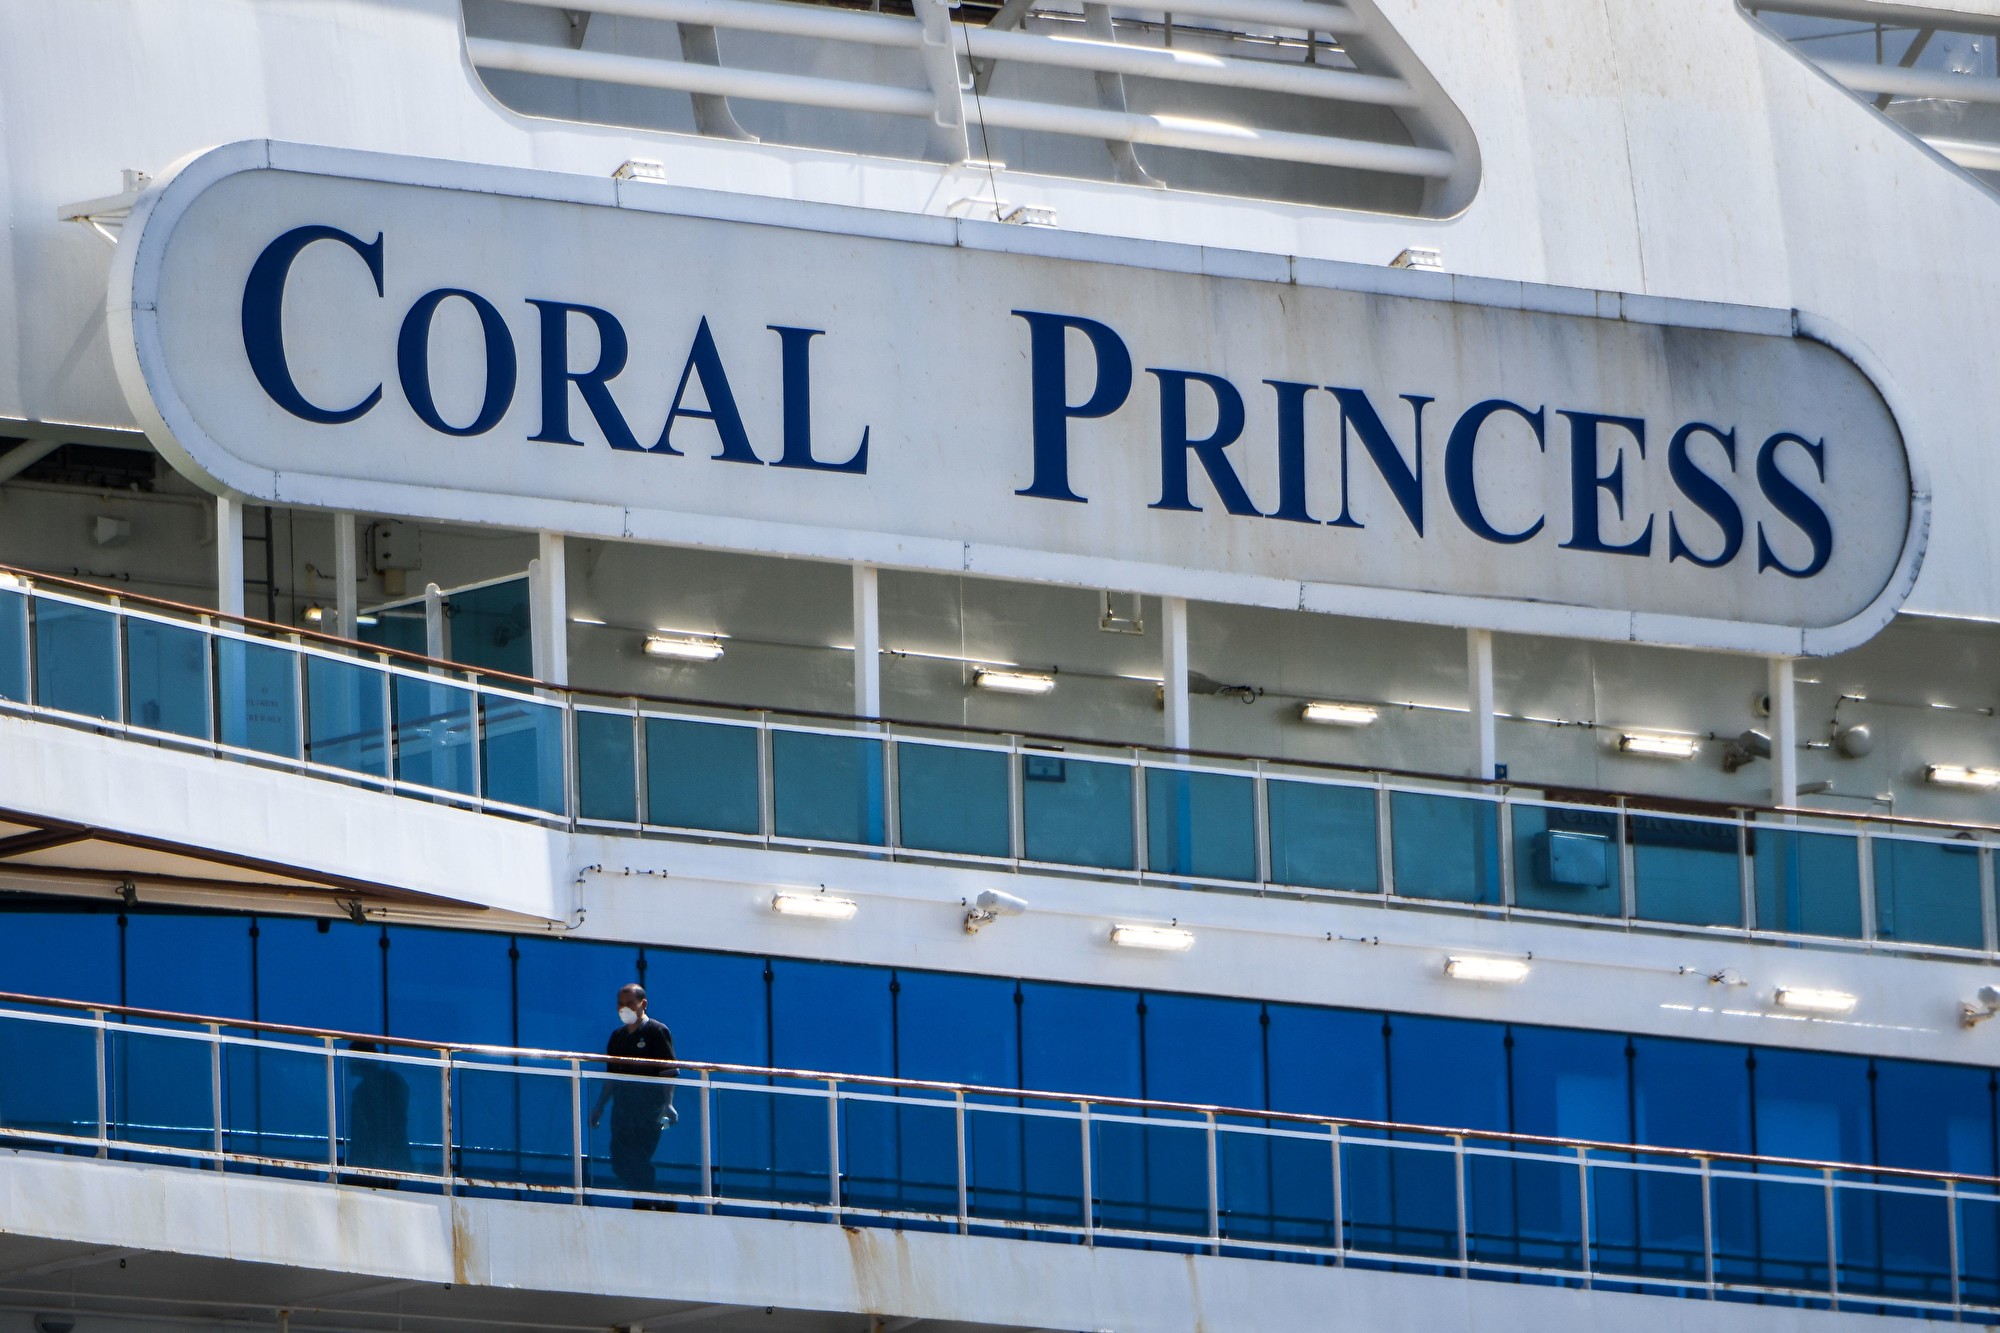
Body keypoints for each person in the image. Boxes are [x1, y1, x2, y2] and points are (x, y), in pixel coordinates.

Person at [587, 983, 678, 1206]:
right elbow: (611, 1077)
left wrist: (668, 1104)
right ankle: (658, 1200)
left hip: (649, 1110)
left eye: (629, 1003)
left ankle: (645, 1203)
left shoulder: (657, 1031)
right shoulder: (617, 1037)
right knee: (619, 1159)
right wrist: (599, 1107)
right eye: (620, 1004)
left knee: (638, 1156)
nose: (624, 1008)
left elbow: (668, 1071)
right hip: (622, 1109)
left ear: (643, 1004)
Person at [344, 1039, 414, 1184]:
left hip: (377, 1165)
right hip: (374, 1164)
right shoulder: (366, 1089)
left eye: (351, 1058)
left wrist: (377, 1162)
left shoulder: (384, 1084)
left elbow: (390, 1124)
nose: (348, 1062)